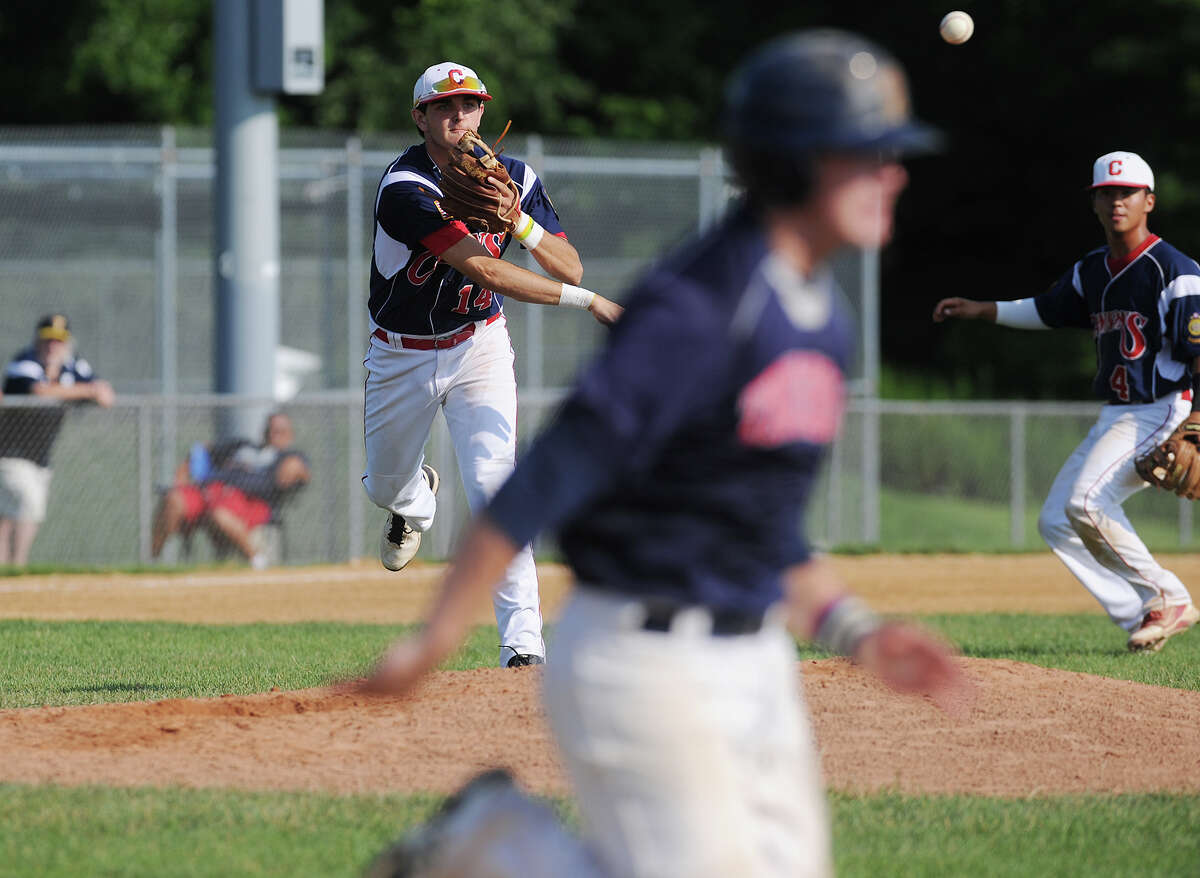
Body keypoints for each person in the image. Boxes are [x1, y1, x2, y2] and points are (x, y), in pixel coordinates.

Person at [356, 31, 967, 878]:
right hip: (643, 655)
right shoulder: (697, 307)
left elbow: (759, 518)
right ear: (793, 164)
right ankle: (496, 844)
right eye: (865, 157)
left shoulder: (822, 321)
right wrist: (431, 639)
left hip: (755, 658)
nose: (892, 175)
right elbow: (552, 470)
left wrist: (853, 628)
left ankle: (509, 734)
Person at [362, 61, 623, 668]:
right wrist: (588, 305)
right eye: (445, 107)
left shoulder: (517, 177)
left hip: (478, 344)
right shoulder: (404, 189)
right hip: (400, 355)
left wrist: (520, 220)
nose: (460, 117)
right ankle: (413, 501)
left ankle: (523, 649)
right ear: (420, 118)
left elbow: (568, 264)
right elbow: (485, 269)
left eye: (471, 105)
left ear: (483, 112)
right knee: (383, 486)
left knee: (495, 489)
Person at [934, 151, 1200, 653]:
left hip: (1163, 406)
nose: (1116, 200)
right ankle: (1138, 614)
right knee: (1056, 519)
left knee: (1085, 501)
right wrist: (981, 309)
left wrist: (1199, 423)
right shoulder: (1091, 270)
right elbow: (1048, 311)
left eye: (1127, 192)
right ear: (1095, 204)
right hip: (1119, 413)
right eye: (1106, 193)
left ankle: (1168, 597)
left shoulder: (1176, 271)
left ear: (1150, 201)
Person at [0, 314, 114, 565]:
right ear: (38, 340)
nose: (53, 346)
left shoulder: (72, 366)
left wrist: (93, 390)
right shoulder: (25, 362)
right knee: (29, 504)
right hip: (8, 453)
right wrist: (85, 391)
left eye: (59, 341)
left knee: (8, 516)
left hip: (40, 458)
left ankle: (7, 570)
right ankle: (17, 564)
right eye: (48, 340)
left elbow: (105, 393)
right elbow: (40, 391)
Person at [151, 411, 310, 569]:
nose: (274, 435)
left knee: (220, 514)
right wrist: (183, 472)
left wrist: (296, 468)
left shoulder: (289, 456)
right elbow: (203, 450)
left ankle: (258, 561)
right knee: (174, 499)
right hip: (210, 490)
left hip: (249, 500)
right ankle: (152, 560)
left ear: (290, 435)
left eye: (280, 431)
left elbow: (302, 472)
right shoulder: (243, 445)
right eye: (270, 429)